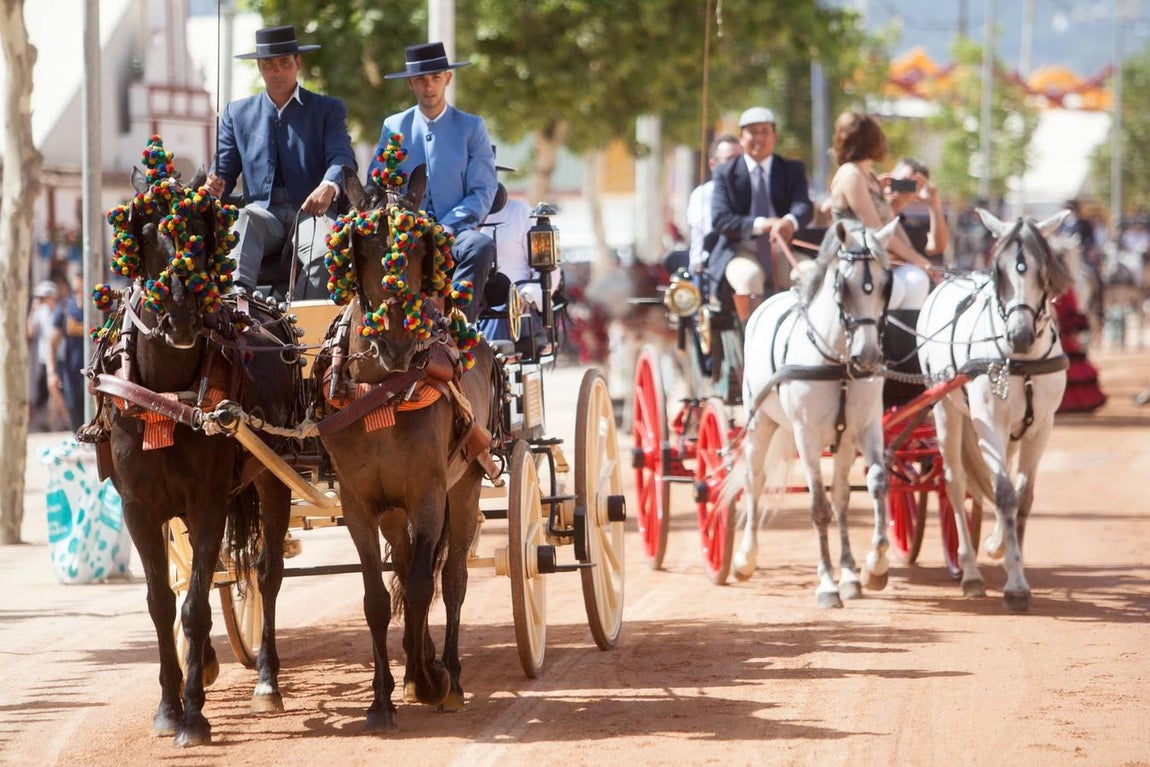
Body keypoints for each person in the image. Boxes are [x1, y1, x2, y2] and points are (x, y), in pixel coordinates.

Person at [205, 25, 357, 299]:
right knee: (244, 218)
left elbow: (342, 158)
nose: (277, 71)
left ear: (298, 62)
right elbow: (224, 170)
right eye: (269, 64)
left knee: (324, 251)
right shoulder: (237, 113)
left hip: (312, 213)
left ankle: (300, 317)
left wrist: (328, 186)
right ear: (259, 67)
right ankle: (240, 305)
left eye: (284, 63)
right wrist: (214, 185)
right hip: (264, 215)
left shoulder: (327, 110)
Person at [369, 42, 498, 323]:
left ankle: (458, 325)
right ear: (411, 84)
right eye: (421, 79)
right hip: (403, 236)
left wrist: (448, 226)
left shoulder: (471, 127)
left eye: (435, 78)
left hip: (454, 233)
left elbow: (482, 190)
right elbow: (375, 184)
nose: (429, 86)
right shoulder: (394, 126)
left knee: (480, 245)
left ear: (447, 78)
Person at [710, 107, 813, 322]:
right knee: (749, 279)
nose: (759, 138)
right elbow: (720, 219)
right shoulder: (724, 173)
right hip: (741, 252)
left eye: (764, 131)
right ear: (741, 137)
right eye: (752, 132)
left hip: (783, 252)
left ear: (775, 136)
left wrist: (789, 222)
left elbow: (804, 206)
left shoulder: (792, 170)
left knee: (811, 273)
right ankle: (752, 336)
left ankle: (805, 335)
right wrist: (762, 224)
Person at [828, 111, 933, 312]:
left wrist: (916, 261)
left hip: (876, 262)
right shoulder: (851, 175)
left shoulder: (870, 176)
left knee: (916, 280)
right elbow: (877, 230)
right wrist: (920, 261)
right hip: (855, 261)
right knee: (898, 288)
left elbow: (892, 225)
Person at [686, 134, 742, 274]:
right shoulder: (703, 194)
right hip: (708, 269)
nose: (736, 165)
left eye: (740, 159)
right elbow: (712, 233)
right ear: (713, 165)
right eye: (729, 160)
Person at [882, 156, 949, 261]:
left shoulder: (906, 227)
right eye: (903, 181)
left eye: (912, 185)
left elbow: (937, 247)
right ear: (891, 177)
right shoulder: (868, 205)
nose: (904, 189)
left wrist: (934, 206)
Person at [48, 272, 88, 432]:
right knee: (77, 425)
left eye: (83, 289)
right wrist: (51, 373)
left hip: (97, 376)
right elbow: (52, 343)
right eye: (77, 289)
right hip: (72, 376)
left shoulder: (102, 308)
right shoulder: (65, 309)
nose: (80, 293)